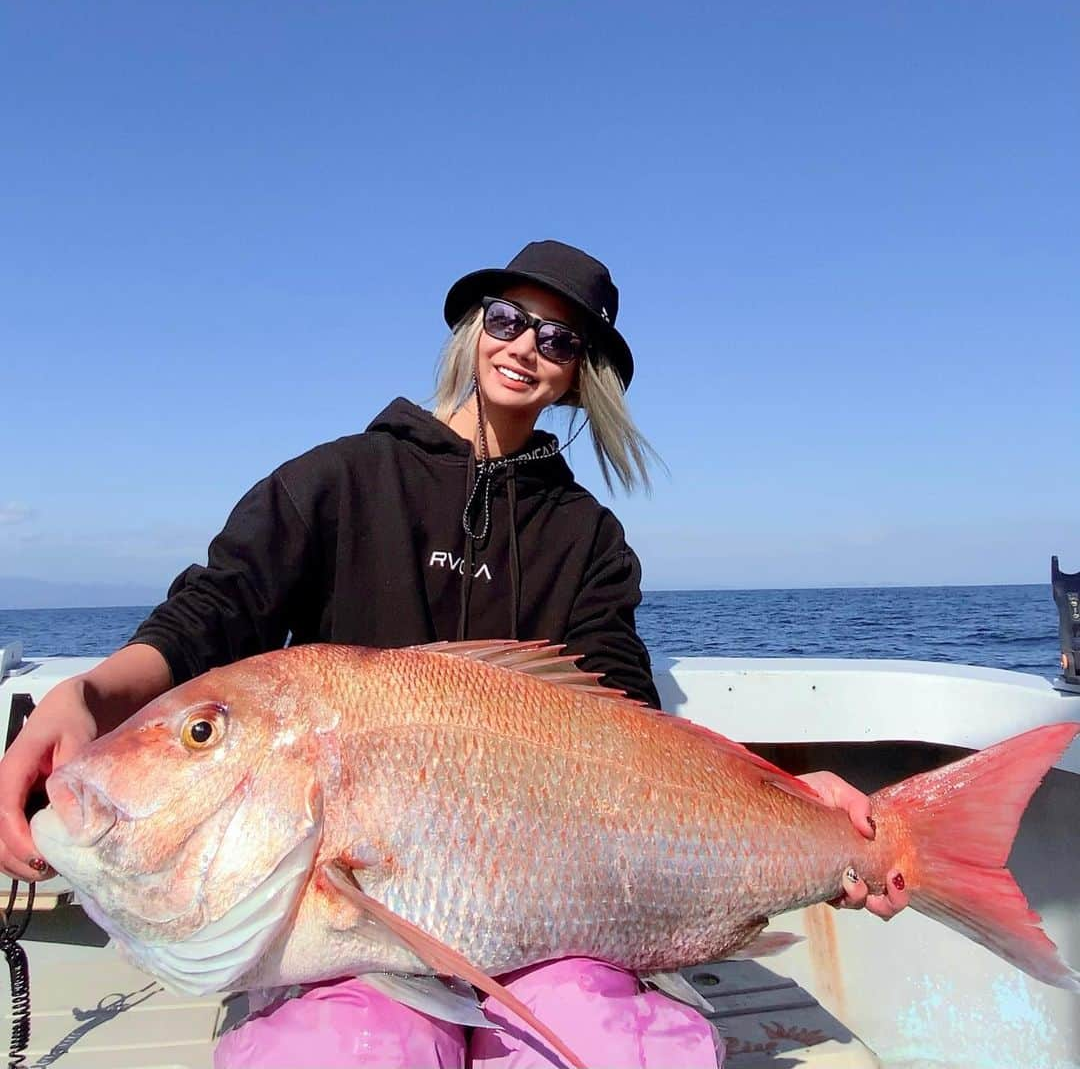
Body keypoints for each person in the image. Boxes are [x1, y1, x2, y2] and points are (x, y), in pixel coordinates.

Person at [0, 240, 906, 1068]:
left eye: (556, 340)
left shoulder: (587, 536)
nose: (523, 347)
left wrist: (797, 806)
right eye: (506, 320)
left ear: (579, 375)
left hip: (567, 928)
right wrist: (87, 693)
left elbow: (622, 709)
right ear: (476, 330)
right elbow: (214, 610)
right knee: (356, 1042)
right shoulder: (340, 478)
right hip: (347, 945)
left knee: (602, 1041)